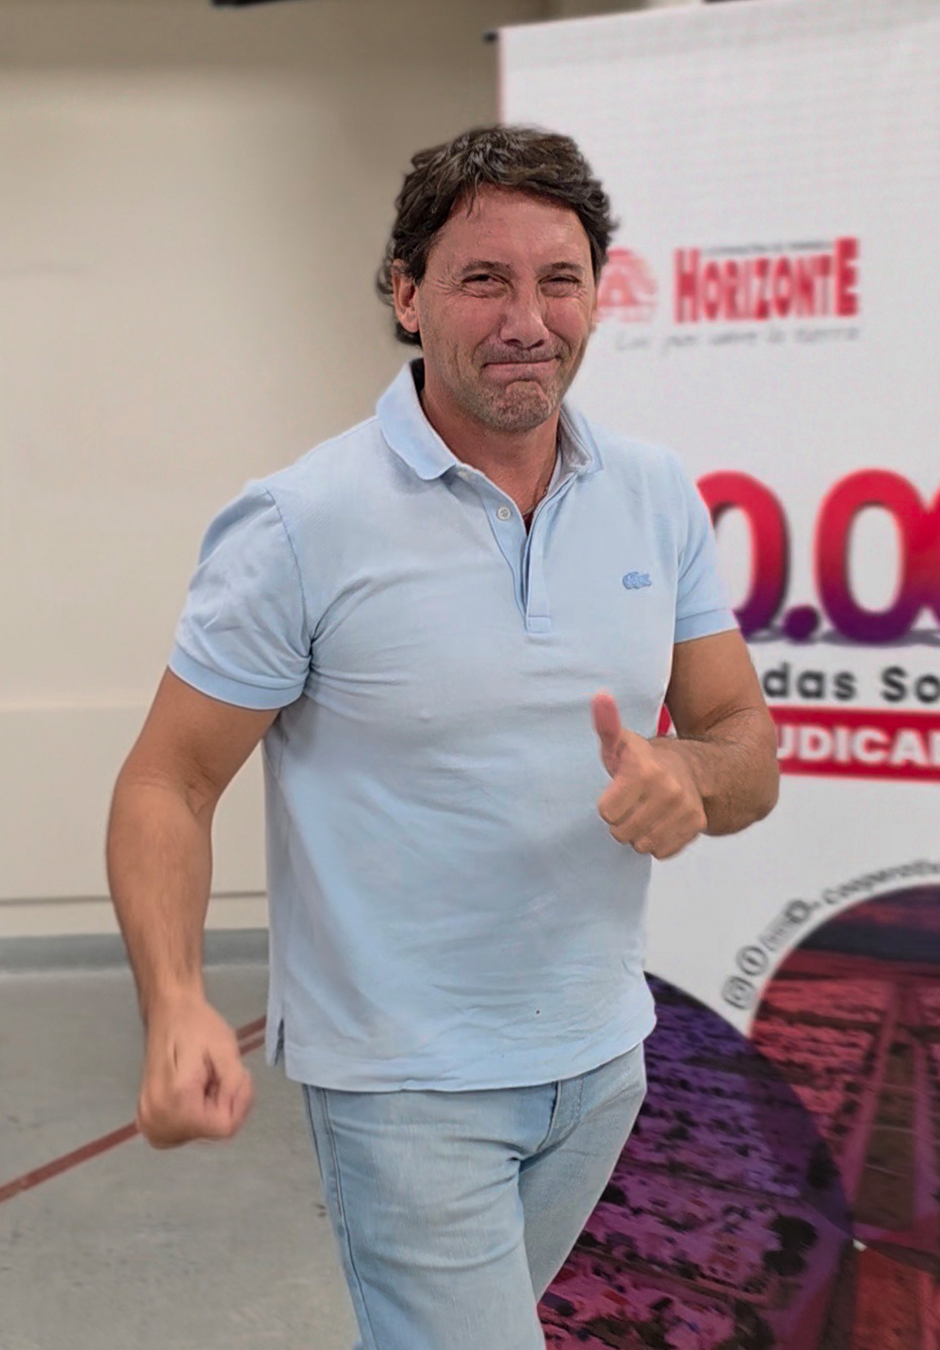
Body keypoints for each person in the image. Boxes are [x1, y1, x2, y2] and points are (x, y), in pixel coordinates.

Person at [106, 125, 779, 1350]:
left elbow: (746, 744)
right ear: (408, 294)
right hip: (406, 1084)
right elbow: (170, 780)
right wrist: (177, 999)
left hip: (603, 1058)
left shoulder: (654, 494)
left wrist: (692, 771)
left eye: (559, 279)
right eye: (484, 280)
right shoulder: (301, 523)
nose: (528, 319)